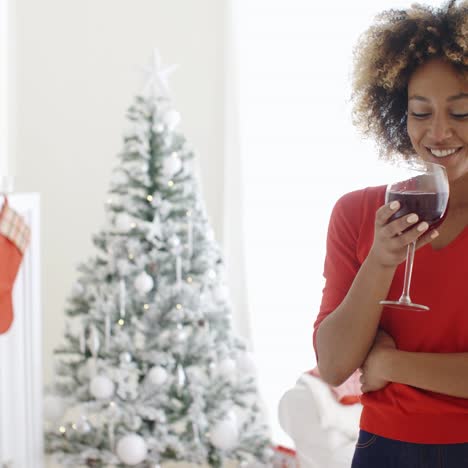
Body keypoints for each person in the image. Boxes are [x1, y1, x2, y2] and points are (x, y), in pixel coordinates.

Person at [313, 1, 468, 466]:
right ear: (399, 115)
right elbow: (335, 365)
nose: (438, 132)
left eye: (461, 113)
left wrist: (389, 364)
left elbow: (366, 366)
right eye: (421, 113)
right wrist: (380, 260)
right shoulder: (358, 213)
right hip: (383, 451)